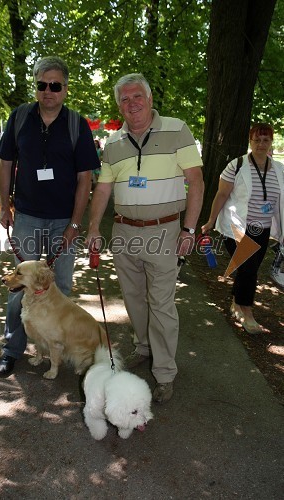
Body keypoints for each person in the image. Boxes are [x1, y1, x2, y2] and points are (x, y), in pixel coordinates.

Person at [87, 73, 204, 404]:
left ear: (150, 99)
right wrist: (94, 227)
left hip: (165, 230)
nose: (131, 103)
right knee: (133, 297)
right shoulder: (112, 143)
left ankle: (165, 372)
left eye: (137, 96)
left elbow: (196, 181)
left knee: (161, 302)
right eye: (124, 99)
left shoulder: (176, 129)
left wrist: (189, 229)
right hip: (124, 231)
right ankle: (144, 346)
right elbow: (104, 188)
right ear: (118, 106)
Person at [0, 55, 100, 378]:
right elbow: (6, 164)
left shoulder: (76, 124)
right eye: (42, 84)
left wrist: (74, 223)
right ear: (36, 86)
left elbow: (86, 177)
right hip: (26, 215)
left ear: (65, 89)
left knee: (60, 288)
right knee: (20, 286)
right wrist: (4, 205)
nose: (48, 91)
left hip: (62, 221)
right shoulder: (19, 118)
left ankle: (58, 349)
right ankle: (12, 350)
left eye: (55, 85)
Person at [202, 123, 284, 333]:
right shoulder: (236, 165)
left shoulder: (279, 169)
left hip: (263, 230)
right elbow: (221, 195)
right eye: (257, 139)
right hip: (237, 227)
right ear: (251, 141)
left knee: (249, 269)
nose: (261, 144)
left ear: (271, 142)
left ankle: (236, 303)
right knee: (248, 269)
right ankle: (246, 312)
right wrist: (211, 220)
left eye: (265, 140)